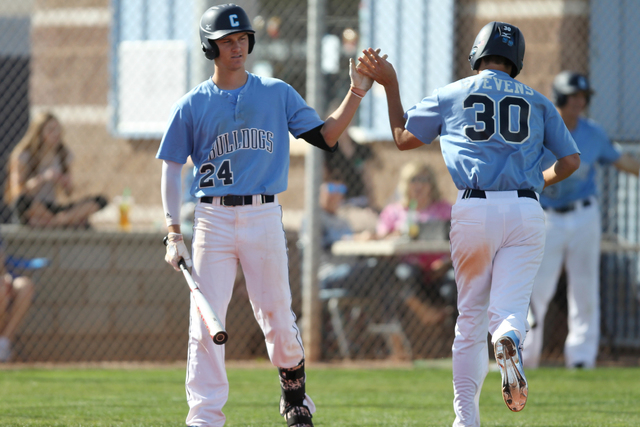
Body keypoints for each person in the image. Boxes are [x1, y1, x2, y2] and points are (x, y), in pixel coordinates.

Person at [156, 4, 377, 426]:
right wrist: (172, 231)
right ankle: (204, 416)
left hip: (263, 215)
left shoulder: (276, 92)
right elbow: (170, 166)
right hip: (211, 218)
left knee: (276, 314)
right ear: (210, 47)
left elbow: (327, 136)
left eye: (242, 39)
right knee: (205, 323)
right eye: (226, 40)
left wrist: (357, 92)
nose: (236, 47)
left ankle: (294, 395)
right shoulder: (192, 104)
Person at [357, 21, 580, 426]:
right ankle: (509, 339)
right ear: (517, 61)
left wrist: (389, 84)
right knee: (510, 310)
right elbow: (570, 161)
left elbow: (404, 138)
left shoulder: (453, 92)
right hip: (526, 209)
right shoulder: (538, 100)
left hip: (474, 208)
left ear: (477, 54)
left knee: (470, 318)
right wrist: (539, 182)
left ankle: (466, 419)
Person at [522, 71, 640, 370]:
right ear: (559, 98)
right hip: (547, 216)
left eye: (582, 98)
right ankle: (524, 357)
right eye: (573, 97)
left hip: (584, 215)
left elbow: (621, 161)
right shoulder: (540, 129)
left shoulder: (592, 132)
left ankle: (581, 359)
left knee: (585, 287)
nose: (579, 103)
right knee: (536, 287)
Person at [6, 112, 107, 228]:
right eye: (50, 130)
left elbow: (69, 192)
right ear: (39, 132)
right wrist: (43, 178)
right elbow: (17, 192)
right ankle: (64, 221)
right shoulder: (23, 155)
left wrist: (65, 182)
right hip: (35, 207)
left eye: (58, 129)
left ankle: (54, 222)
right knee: (21, 202)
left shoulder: (63, 154)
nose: (56, 134)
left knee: (100, 201)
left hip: (53, 209)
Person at [0, 237, 35, 362]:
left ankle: (3, 343)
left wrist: (4, 277)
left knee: (25, 285)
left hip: (4, 275)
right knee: (1, 289)